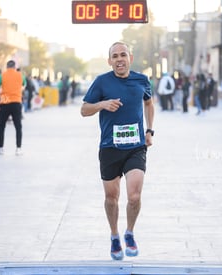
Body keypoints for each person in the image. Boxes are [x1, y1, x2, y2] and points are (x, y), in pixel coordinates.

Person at [80, 41, 154, 261]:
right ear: (109, 60)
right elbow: (84, 110)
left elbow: (149, 104)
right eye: (115, 56)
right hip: (109, 148)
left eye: (123, 55)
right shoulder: (101, 82)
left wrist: (149, 130)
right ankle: (114, 236)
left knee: (134, 195)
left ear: (130, 58)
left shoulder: (142, 80)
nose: (119, 59)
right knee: (112, 197)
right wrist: (102, 105)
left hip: (135, 147)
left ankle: (129, 232)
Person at [0, 60, 26, 156]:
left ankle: (0, 148)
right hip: (16, 102)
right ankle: (18, 149)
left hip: (4, 102)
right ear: (15, 67)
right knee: (18, 126)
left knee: (2, 126)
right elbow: (24, 86)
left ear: (7, 67)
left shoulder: (2, 75)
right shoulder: (21, 75)